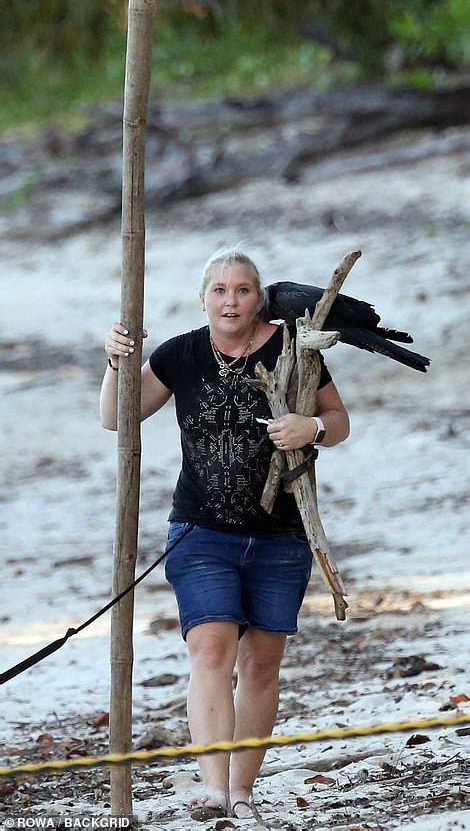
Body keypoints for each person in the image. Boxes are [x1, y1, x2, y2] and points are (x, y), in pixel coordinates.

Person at [100, 247, 350, 822]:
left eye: (242, 290)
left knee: (262, 665)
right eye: (220, 289)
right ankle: (214, 785)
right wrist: (116, 363)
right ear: (203, 297)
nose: (231, 300)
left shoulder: (293, 349)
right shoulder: (183, 353)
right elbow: (118, 416)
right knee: (210, 647)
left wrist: (310, 426)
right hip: (200, 532)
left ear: (259, 297)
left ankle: (241, 790)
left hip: (281, 534)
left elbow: (339, 422)